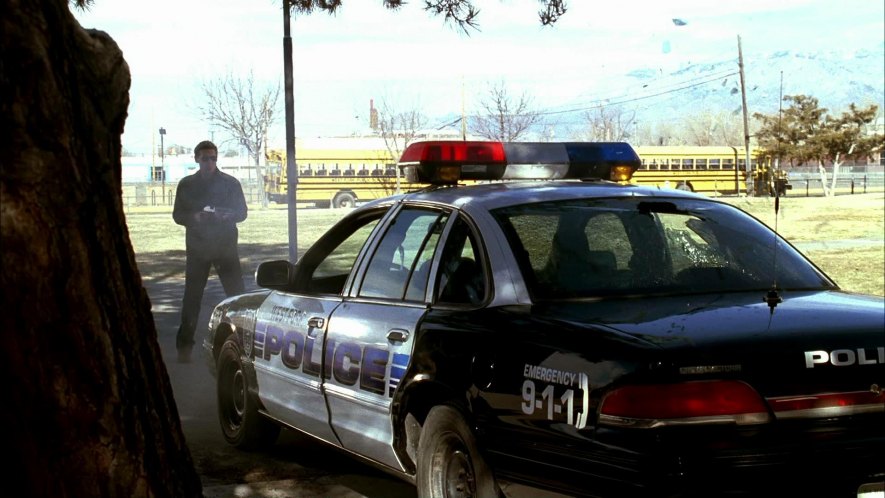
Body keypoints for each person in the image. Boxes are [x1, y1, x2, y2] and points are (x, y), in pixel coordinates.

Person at [172, 140, 247, 363]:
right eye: (205, 158)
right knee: (192, 298)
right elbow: (178, 215)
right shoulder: (186, 185)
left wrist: (227, 215)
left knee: (237, 297)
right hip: (197, 249)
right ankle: (184, 347)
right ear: (196, 159)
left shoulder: (230, 183)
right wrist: (194, 217)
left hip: (225, 248)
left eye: (213, 158)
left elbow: (242, 212)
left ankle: (244, 344)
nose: (209, 163)